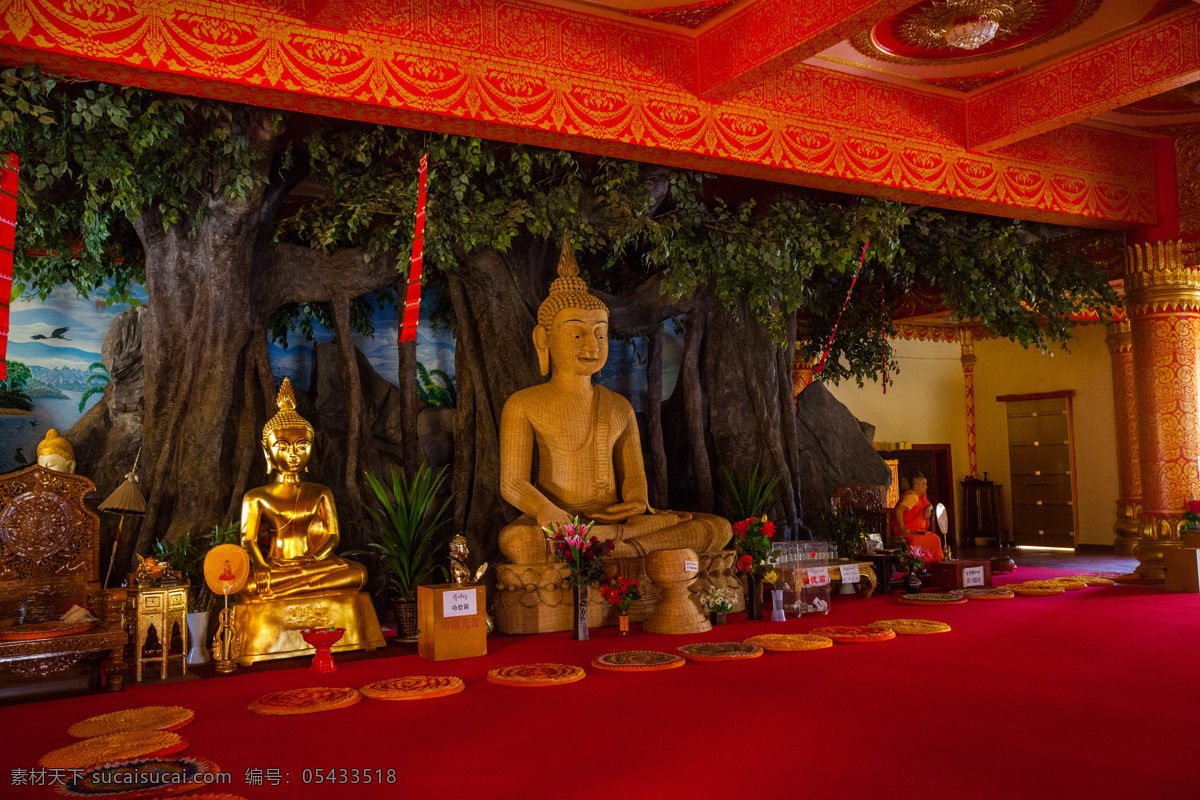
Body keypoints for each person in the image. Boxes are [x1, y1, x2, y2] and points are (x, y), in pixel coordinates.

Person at [497, 239, 730, 562]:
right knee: (518, 542)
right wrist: (544, 510)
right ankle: (615, 547)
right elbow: (512, 482)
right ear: (543, 338)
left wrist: (635, 502)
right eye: (577, 334)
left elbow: (634, 477)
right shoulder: (523, 404)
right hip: (559, 523)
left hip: (617, 522)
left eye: (600, 334)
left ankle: (606, 545)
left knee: (717, 529)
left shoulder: (618, 406)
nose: (591, 346)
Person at [238, 378, 367, 600]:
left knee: (357, 574)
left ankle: (291, 589)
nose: (293, 454)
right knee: (246, 588)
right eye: (283, 446)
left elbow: (332, 536)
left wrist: (314, 560)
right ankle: (300, 588)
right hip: (276, 567)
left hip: (314, 564)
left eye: (301, 446)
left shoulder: (320, 492)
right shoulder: (257, 496)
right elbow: (247, 540)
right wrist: (260, 566)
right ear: (267, 452)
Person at [892, 473, 944, 562]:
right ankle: (917, 564)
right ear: (916, 487)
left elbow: (929, 504)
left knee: (936, 538)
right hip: (907, 530)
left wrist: (928, 508)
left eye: (926, 484)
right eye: (924, 484)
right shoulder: (911, 497)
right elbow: (898, 510)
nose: (926, 487)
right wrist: (903, 527)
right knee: (916, 542)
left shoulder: (921, 496)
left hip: (918, 531)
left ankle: (931, 564)